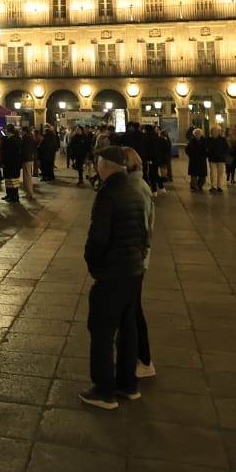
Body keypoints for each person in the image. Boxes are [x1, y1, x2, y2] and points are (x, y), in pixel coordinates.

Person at [78, 146, 148, 411]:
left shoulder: (107, 193)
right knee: (128, 328)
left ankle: (104, 390)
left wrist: (94, 265)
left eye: (98, 162)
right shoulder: (134, 189)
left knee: (102, 330)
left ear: (105, 165)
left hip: (113, 272)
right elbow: (143, 233)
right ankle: (128, 385)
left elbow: (98, 239)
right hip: (133, 270)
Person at [121, 147, 157, 381]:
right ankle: (134, 357)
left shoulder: (135, 188)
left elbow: (141, 227)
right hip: (135, 258)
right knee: (130, 310)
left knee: (133, 310)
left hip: (134, 259)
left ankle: (144, 360)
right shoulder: (136, 185)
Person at [205, 125, 230, 193]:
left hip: (221, 159)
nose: (215, 132)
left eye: (216, 131)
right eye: (213, 131)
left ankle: (219, 186)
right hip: (212, 159)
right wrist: (208, 154)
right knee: (213, 173)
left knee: (220, 173)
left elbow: (227, 148)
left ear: (219, 132)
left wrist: (224, 155)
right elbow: (205, 148)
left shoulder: (223, 139)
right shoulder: (209, 139)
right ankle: (213, 186)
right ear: (211, 132)